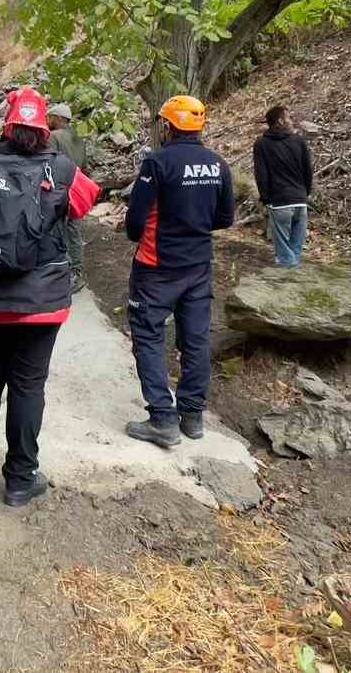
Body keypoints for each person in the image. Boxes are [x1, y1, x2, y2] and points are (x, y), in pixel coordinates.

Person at [0, 88, 100, 506]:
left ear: (7, 124)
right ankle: (19, 480)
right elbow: (85, 206)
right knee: (28, 385)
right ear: (44, 127)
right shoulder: (63, 169)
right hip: (41, 304)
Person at [123, 95, 235, 447]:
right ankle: (192, 415)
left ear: (169, 127)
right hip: (199, 266)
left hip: (157, 268)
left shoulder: (157, 163)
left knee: (149, 336)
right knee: (197, 338)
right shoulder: (218, 165)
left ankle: (162, 419)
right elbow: (225, 218)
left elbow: (134, 223)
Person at [253, 105, 314, 268]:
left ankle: (287, 277)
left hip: (279, 202)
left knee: (283, 248)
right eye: (289, 117)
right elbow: (308, 170)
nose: (291, 121)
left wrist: (265, 198)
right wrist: (305, 193)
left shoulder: (261, 144)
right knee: (295, 245)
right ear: (280, 121)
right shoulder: (299, 141)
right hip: (300, 200)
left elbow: (261, 174)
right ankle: (292, 272)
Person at [47, 103, 88, 293]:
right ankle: (77, 273)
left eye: (50, 117)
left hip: (59, 191)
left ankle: (63, 272)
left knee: (59, 230)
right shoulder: (79, 138)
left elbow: (48, 164)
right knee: (75, 231)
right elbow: (85, 167)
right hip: (77, 189)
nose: (47, 121)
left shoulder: (53, 137)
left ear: (58, 119)